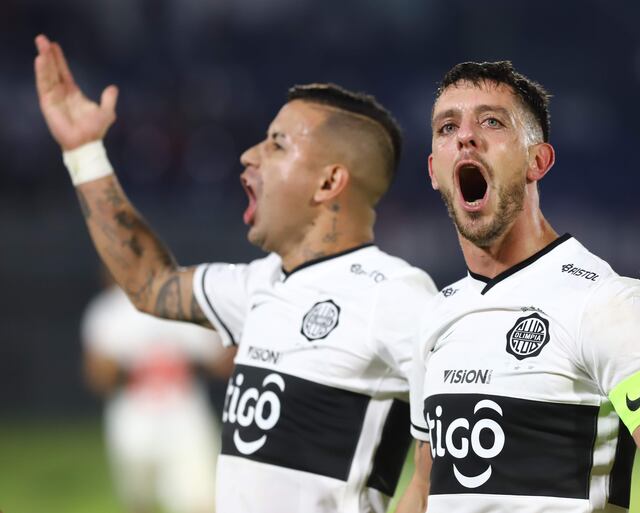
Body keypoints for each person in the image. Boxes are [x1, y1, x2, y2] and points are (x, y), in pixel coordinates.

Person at [34, 34, 437, 513]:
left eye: (276, 144)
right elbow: (150, 284)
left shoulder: (393, 293)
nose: (249, 155)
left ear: (330, 182)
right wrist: (85, 155)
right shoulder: (258, 284)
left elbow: (449, 459)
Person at [396, 61, 640, 513]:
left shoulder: (602, 302)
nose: (466, 136)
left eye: (492, 121)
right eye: (447, 126)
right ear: (435, 170)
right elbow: (423, 488)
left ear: (538, 160)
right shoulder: (438, 314)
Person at [82, 275, 233, 513]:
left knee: (200, 502)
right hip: (134, 417)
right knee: (141, 503)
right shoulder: (109, 310)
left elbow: (222, 361)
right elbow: (99, 378)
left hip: (183, 415)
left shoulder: (178, 302)